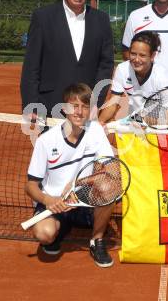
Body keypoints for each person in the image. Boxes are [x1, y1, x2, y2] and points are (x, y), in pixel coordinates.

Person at [25, 83, 116, 268]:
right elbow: (30, 185)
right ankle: (61, 227)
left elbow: (113, 170)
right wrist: (48, 199)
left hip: (84, 201)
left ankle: (96, 240)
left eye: (84, 106)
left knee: (110, 187)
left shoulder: (96, 131)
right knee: (44, 234)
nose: (79, 112)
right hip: (55, 203)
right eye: (74, 106)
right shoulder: (46, 140)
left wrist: (79, 182)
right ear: (64, 107)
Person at [20, 0, 114, 118]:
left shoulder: (101, 20)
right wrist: (31, 106)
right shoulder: (43, 17)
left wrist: (95, 103)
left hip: (85, 111)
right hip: (49, 108)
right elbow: (31, 66)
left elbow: (105, 66)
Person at [99, 31, 168, 124]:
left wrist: (139, 120)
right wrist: (99, 123)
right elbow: (113, 103)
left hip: (159, 127)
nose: (136, 59)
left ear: (153, 56)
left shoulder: (163, 77)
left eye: (142, 55)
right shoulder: (122, 69)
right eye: (133, 54)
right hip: (134, 123)